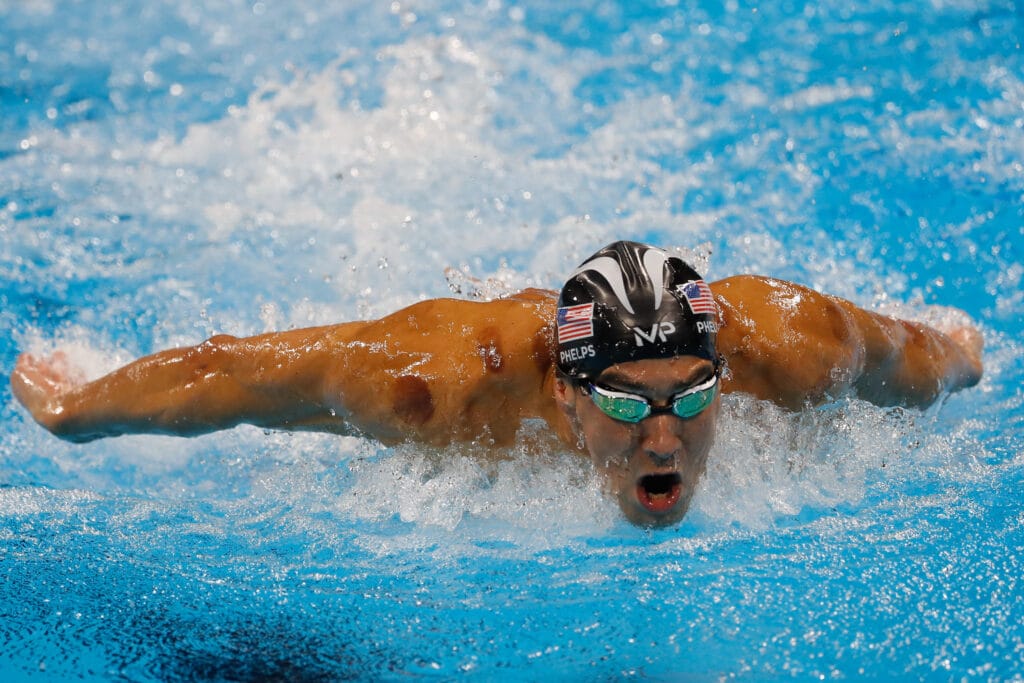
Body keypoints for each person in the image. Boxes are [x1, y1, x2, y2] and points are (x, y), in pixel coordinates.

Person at [10, 241, 983, 526]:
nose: (661, 438)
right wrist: (75, 410)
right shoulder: (432, 388)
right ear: (562, 393)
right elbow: (231, 373)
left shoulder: (795, 347)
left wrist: (966, 352)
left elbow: (923, 354)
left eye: (691, 396)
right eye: (621, 399)